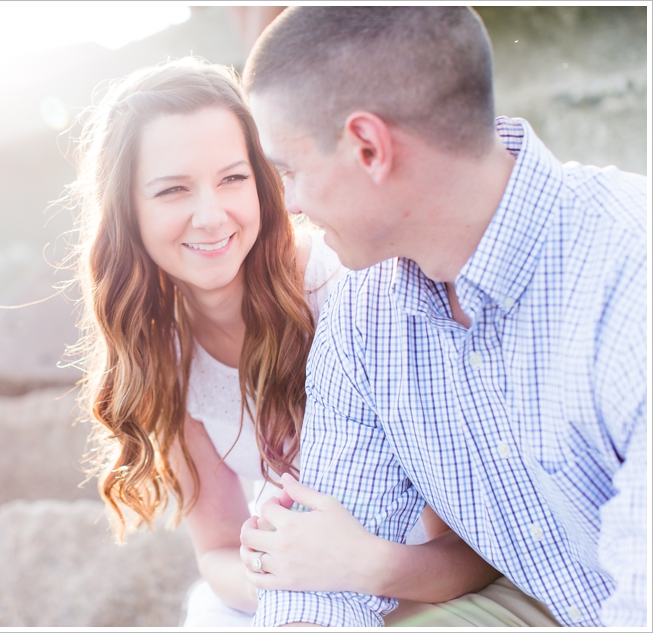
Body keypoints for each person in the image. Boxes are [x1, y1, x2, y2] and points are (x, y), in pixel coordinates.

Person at [68, 57, 534, 627]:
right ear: (127, 212)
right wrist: (282, 579)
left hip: (420, 586)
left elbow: (476, 551)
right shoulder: (160, 347)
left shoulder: (351, 290)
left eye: (233, 178)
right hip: (285, 587)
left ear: (267, 181)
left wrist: (342, 575)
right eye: (173, 190)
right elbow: (215, 549)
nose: (211, 216)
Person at [238, 7, 647, 627]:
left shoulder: (628, 272)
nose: (289, 205)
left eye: (290, 171)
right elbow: (313, 590)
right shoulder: (360, 315)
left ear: (369, 148)